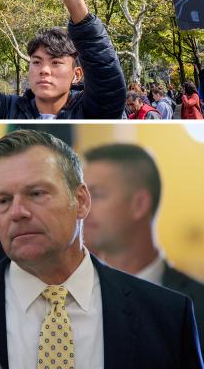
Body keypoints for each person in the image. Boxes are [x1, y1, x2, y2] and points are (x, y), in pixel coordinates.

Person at [0, 130, 202, 368]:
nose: (17, 212)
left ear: (82, 201)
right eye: (2, 200)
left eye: (36, 194)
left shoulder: (166, 315)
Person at [83, 143, 204, 348]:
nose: (83, 207)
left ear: (139, 204)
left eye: (96, 194)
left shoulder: (198, 305)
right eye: (81, 195)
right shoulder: (70, 299)